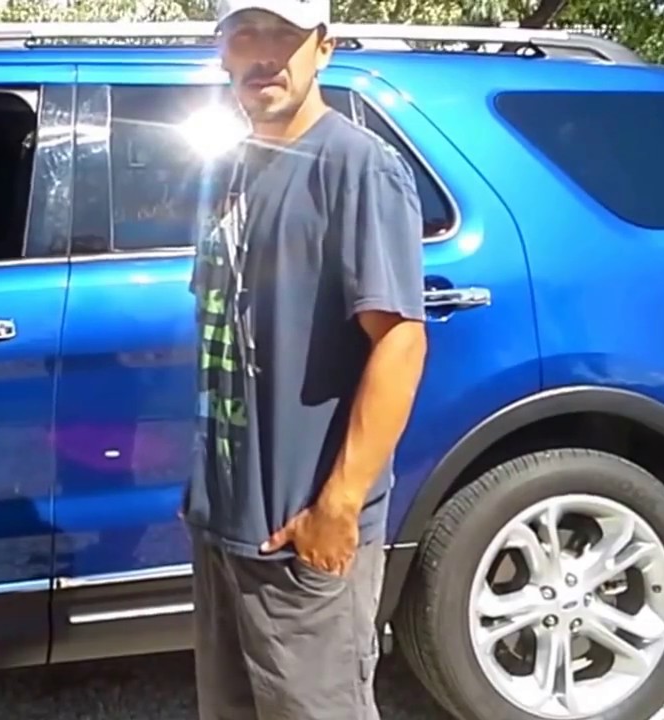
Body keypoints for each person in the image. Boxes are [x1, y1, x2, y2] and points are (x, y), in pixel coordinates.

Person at [179, 0, 429, 717]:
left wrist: (337, 507)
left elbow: (401, 341)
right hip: (227, 528)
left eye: (283, 35)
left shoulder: (356, 167)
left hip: (301, 538)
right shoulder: (235, 168)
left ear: (323, 47)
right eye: (244, 34)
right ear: (222, 50)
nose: (263, 53)